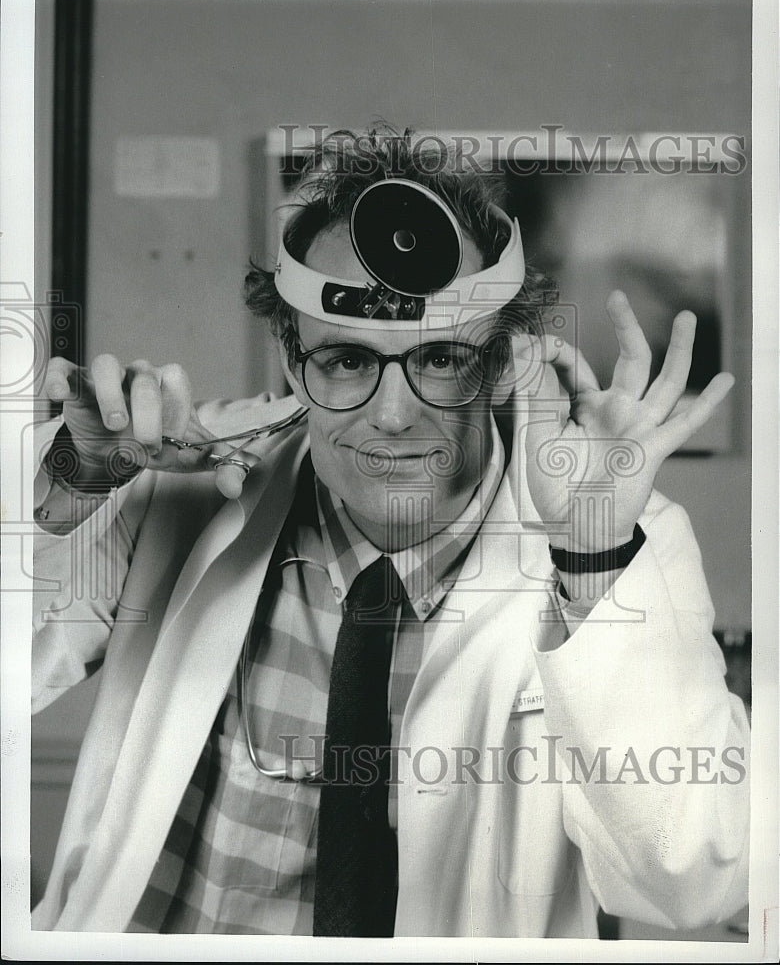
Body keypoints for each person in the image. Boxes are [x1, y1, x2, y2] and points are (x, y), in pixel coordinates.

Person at [31, 128, 749, 937]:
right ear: (292, 356)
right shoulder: (177, 474)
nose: (392, 414)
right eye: (344, 361)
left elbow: (694, 884)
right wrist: (72, 478)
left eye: (441, 358)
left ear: (505, 356)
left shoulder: (617, 536)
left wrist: (589, 553)